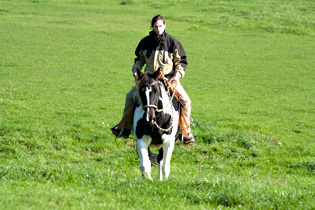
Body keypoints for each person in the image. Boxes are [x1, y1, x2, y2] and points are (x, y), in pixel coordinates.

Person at [111, 15, 194, 145]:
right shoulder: (145, 42)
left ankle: (185, 131)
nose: (158, 29)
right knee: (130, 96)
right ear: (152, 27)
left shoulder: (174, 42)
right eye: (155, 26)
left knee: (186, 101)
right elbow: (139, 60)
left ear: (165, 25)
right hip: (149, 78)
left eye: (160, 26)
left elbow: (181, 62)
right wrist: (135, 69)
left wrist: (178, 75)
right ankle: (125, 127)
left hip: (169, 78)